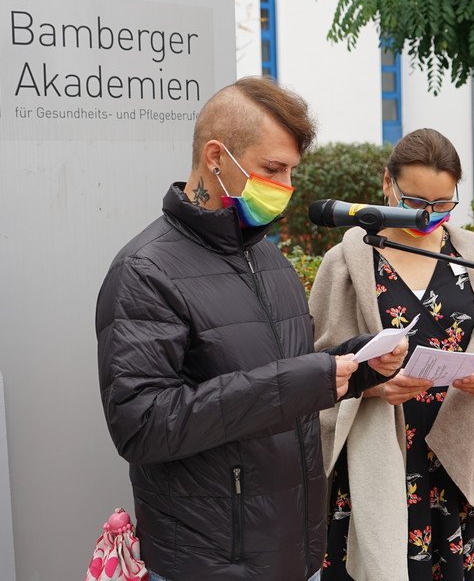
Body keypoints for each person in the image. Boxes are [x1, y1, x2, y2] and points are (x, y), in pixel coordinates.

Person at [96, 76, 407, 581]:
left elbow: (277, 379)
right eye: (272, 169)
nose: (286, 186)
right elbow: (142, 425)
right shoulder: (144, 271)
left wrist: (359, 364)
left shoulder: (270, 261)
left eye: (291, 171)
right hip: (209, 566)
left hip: (295, 556)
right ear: (216, 158)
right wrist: (303, 380)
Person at [309, 128, 474, 581]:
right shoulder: (345, 263)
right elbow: (316, 366)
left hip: (460, 459)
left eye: (443, 204)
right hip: (381, 460)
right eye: (415, 202)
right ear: (387, 183)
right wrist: (372, 386)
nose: (428, 215)